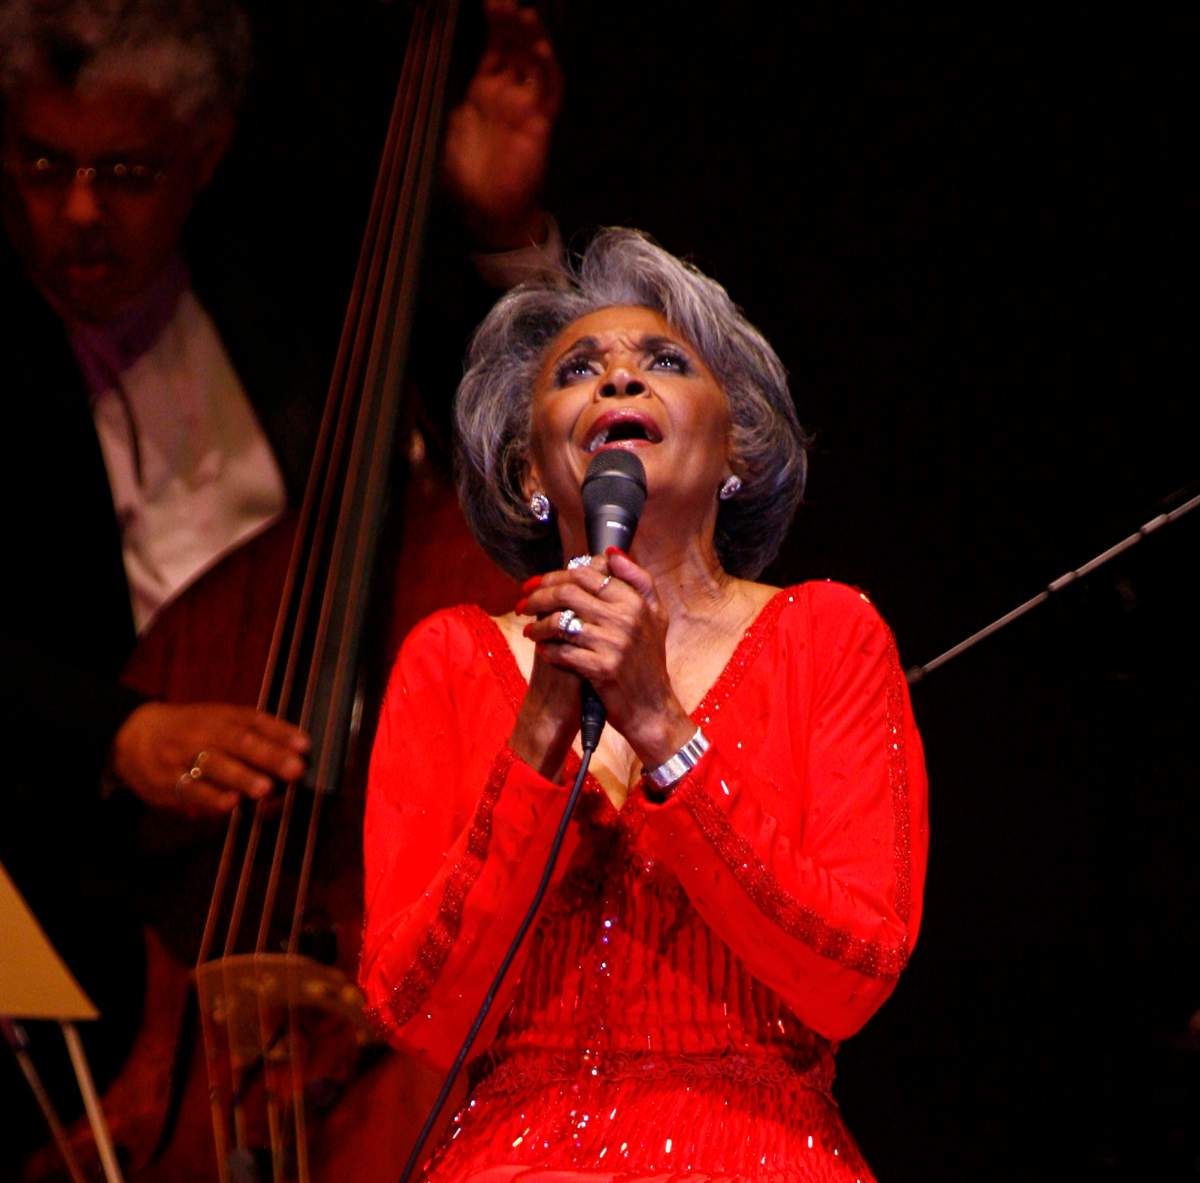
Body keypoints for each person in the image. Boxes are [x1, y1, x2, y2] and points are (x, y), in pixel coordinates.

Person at [0, 0, 562, 1167]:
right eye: (42, 164)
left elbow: (525, 470)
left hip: (377, 922)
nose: (78, 211)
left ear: (204, 156)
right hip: (121, 943)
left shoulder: (296, 294)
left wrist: (499, 229)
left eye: (128, 171)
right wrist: (125, 730)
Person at [360, 228, 930, 1181]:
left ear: (736, 447)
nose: (619, 380)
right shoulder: (451, 658)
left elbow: (851, 976)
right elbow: (416, 1007)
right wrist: (540, 728)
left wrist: (663, 727)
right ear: (529, 473)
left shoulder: (828, 635)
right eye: (577, 370)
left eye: (663, 361)